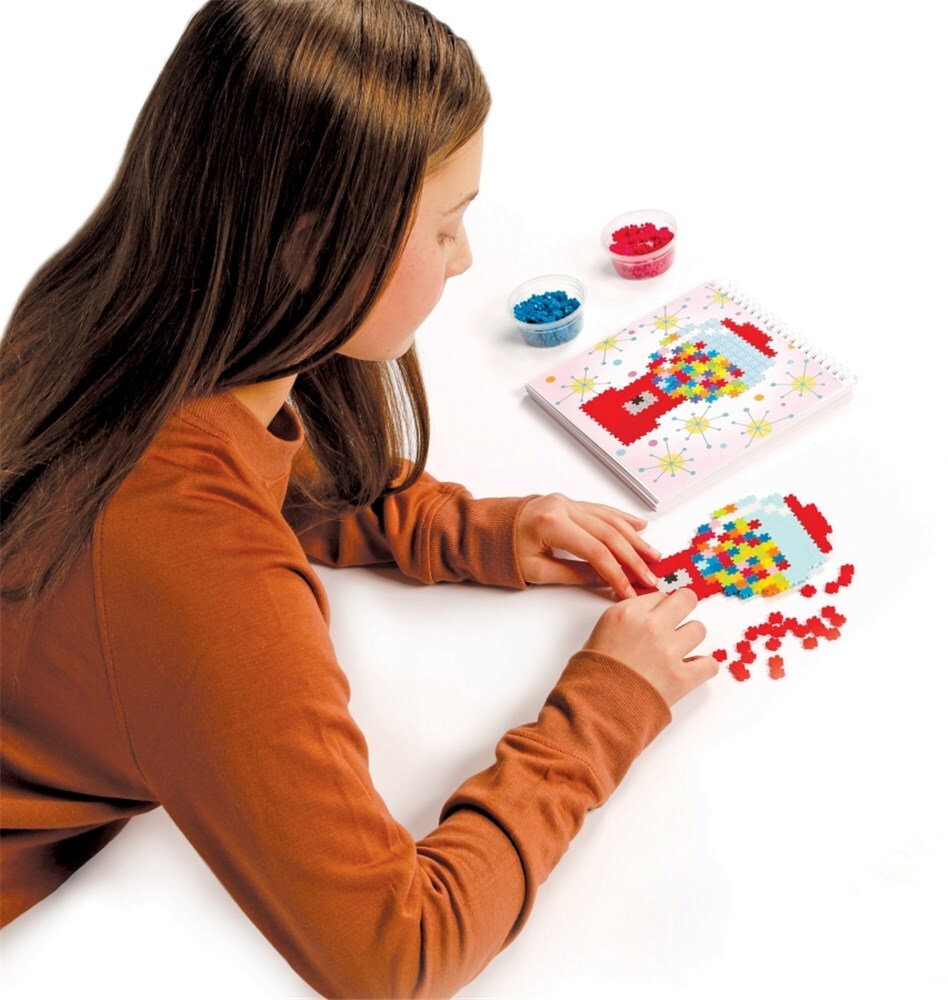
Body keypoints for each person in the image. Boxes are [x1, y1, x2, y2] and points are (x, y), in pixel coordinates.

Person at [0, 1, 718, 996]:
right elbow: (394, 955)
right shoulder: (199, 576)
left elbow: (264, 477)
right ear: (307, 250)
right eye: (446, 226)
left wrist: (468, 529)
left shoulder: (105, 310)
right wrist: (608, 704)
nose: (466, 257)